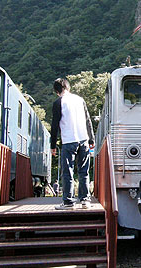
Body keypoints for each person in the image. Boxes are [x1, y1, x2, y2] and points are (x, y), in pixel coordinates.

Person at [51, 78, 95, 210]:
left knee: (68, 172)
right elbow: (88, 121)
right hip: (84, 140)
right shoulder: (80, 99)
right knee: (84, 171)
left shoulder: (59, 102)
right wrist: (91, 139)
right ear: (68, 87)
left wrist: (52, 145)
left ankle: (68, 202)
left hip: (69, 141)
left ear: (57, 91)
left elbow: (54, 125)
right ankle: (85, 200)